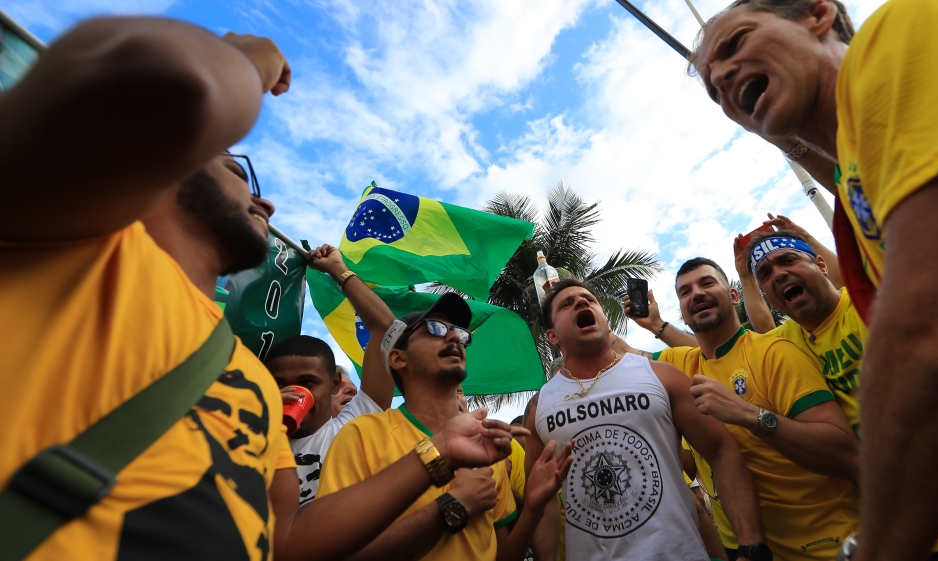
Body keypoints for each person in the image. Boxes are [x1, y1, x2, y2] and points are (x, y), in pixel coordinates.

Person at [0, 18, 522, 561]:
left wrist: (434, 455)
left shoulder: (249, 377)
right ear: (165, 168)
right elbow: (136, 83)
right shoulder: (74, 253)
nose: (265, 203)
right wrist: (248, 60)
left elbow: (288, 540)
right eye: (235, 168)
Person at [692, 1, 938, 558]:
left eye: (735, 44)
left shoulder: (903, 34)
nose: (723, 77)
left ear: (816, 13)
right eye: (714, 88)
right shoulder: (858, 199)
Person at [741, 228, 938, 558]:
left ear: (821, 264)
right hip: (895, 528)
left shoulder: (872, 302)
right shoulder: (785, 344)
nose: (779, 273)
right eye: (766, 273)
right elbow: (726, 348)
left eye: (788, 260)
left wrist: (811, 239)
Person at [625, 258, 859, 560]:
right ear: (683, 313)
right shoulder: (680, 363)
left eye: (707, 283)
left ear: (734, 296)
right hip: (747, 550)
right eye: (685, 292)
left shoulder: (774, 353)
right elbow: (617, 351)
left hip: (828, 546)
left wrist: (752, 416)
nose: (695, 293)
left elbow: (846, 456)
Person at [317, 293, 574, 561]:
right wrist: (453, 508)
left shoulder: (484, 445)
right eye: (435, 328)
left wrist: (532, 508)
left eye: (458, 333)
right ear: (398, 358)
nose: (453, 338)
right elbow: (334, 553)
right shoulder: (361, 436)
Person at [528, 278, 767, 561]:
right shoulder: (539, 406)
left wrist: (751, 547)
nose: (581, 302)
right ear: (552, 335)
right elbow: (540, 501)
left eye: (589, 300)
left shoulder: (660, 375)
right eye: (567, 304)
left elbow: (722, 451)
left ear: (606, 321)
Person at [267, 243, 394, 504]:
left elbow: (387, 330)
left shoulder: (350, 429)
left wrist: (338, 270)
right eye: (280, 384)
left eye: (307, 383)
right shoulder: (246, 436)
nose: (291, 392)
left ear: (334, 383)